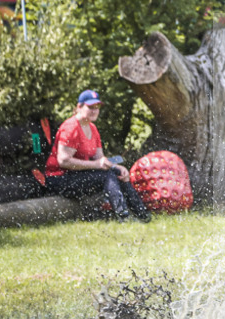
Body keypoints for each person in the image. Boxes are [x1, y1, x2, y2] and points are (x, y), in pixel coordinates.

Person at [44, 89, 150, 222]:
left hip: (76, 175)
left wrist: (117, 167)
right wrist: (97, 165)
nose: (94, 111)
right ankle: (124, 216)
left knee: (116, 173)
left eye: (97, 107)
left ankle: (143, 215)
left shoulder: (92, 128)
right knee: (106, 176)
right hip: (58, 179)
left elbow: (100, 160)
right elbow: (63, 161)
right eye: (90, 107)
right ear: (79, 107)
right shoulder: (70, 127)